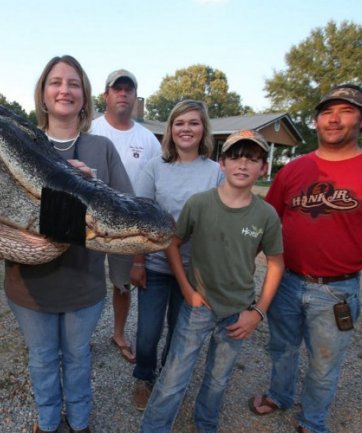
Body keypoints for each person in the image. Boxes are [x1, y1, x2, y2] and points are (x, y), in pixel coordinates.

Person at [248, 84, 362, 433]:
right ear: (316, 121)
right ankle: (279, 394)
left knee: (324, 364)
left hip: (337, 292)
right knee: (281, 348)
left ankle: (312, 421)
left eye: (345, 111)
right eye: (327, 112)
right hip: (286, 282)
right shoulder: (294, 170)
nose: (334, 119)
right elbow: (265, 226)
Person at [4, 55, 133, 433]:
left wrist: (91, 185)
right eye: (56, 82)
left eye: (74, 83)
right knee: (42, 359)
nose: (65, 90)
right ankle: (47, 423)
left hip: (83, 283)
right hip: (29, 285)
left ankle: (79, 423)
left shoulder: (101, 150)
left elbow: (125, 212)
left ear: (85, 95)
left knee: (78, 357)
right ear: (43, 95)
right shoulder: (20, 143)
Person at [139, 130, 285, 433]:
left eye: (253, 159)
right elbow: (172, 243)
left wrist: (257, 312)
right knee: (174, 376)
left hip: (238, 311)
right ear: (222, 163)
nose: (243, 165)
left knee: (218, 378)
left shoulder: (266, 215)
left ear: (264, 168)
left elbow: (276, 263)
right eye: (235, 157)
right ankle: (153, 428)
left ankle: (205, 424)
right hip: (198, 306)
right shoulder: (200, 204)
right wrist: (187, 289)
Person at [129, 100, 224, 411]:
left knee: (179, 333)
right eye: (180, 122)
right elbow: (141, 219)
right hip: (155, 266)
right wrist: (138, 261)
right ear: (170, 129)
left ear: (203, 130)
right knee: (147, 334)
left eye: (194, 123)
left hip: (195, 271)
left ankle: (167, 382)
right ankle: (144, 376)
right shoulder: (155, 167)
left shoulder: (215, 173)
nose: (186, 129)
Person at [90, 69, 161, 364]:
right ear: (106, 95)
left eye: (127, 89)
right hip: (90, 224)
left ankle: (118, 333)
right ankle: (81, 337)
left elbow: (156, 185)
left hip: (127, 230)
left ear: (135, 96)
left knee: (123, 284)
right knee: (86, 282)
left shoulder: (148, 140)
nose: (122, 93)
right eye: (116, 88)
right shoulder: (89, 130)